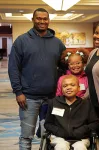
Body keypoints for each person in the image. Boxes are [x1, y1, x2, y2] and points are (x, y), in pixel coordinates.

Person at [8, 8, 66, 150]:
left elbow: (65, 67)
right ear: (33, 20)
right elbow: (13, 68)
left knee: (50, 136)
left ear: (48, 20)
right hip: (28, 98)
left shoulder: (57, 43)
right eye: (38, 18)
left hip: (52, 98)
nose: (42, 21)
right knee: (27, 136)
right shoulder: (22, 41)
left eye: (45, 19)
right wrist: (18, 92)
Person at [44, 75, 99, 150]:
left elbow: (95, 123)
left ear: (78, 88)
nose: (68, 87)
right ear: (62, 89)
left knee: (80, 147)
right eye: (65, 86)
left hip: (81, 138)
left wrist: (82, 130)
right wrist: (58, 131)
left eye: (72, 85)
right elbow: (48, 124)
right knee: (61, 146)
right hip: (59, 137)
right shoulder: (54, 103)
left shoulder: (86, 104)